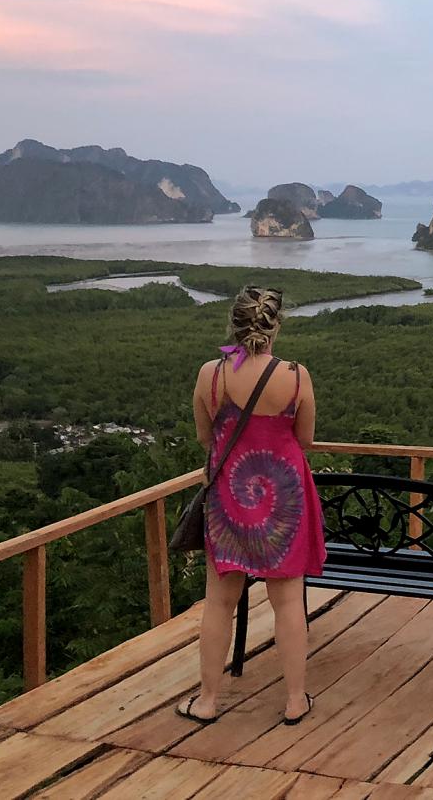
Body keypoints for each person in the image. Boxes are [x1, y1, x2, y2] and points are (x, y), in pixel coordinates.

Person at [176, 285, 325, 724]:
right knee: (288, 602)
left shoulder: (212, 374)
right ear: (275, 325)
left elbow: (206, 438)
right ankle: (295, 700)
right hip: (284, 500)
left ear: (234, 324)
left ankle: (206, 701)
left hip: (229, 498)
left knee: (219, 602)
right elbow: (306, 440)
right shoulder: (297, 376)